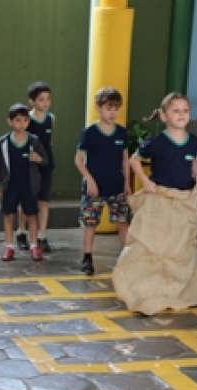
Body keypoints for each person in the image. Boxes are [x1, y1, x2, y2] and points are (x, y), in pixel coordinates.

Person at [113, 92, 197, 316]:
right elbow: (134, 160)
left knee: (181, 246)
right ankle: (145, 289)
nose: (181, 115)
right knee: (153, 244)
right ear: (164, 116)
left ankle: (175, 288)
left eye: (185, 111)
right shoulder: (157, 142)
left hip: (183, 200)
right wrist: (145, 182)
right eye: (176, 111)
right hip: (159, 199)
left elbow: (193, 159)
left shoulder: (193, 141)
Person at [75, 87, 131, 275]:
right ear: (97, 108)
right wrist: (89, 179)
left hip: (116, 185)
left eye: (116, 108)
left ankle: (126, 258)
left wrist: (127, 182)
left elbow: (125, 159)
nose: (112, 112)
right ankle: (87, 257)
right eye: (108, 108)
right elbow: (78, 160)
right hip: (95, 188)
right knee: (90, 223)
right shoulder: (89, 133)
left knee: (123, 222)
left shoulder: (121, 132)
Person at [0, 103, 46, 262]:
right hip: (11, 185)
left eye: (25, 120)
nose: (22, 124)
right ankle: (9, 246)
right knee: (9, 215)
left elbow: (45, 160)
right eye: (17, 120)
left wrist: (38, 159)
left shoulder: (34, 141)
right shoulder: (3, 142)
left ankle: (34, 245)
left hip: (29, 185)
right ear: (10, 122)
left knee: (31, 215)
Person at [22, 81, 56, 252]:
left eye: (48, 99)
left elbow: (50, 141)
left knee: (44, 200)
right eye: (41, 99)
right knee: (27, 199)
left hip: (46, 164)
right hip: (29, 166)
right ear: (32, 101)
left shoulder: (51, 118)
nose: (45, 103)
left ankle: (42, 235)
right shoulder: (27, 120)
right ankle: (22, 232)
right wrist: (29, 156)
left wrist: (44, 158)